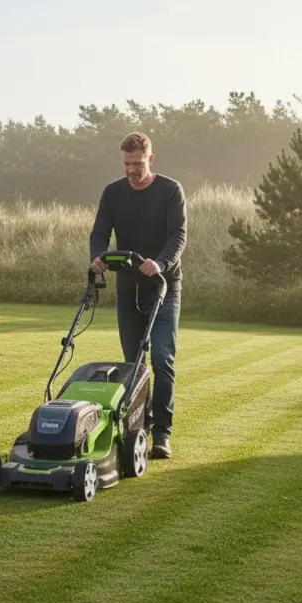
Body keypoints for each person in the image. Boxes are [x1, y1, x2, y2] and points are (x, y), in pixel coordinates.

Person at [88, 131, 186, 459]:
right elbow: (100, 231)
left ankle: (162, 434)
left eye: (138, 163)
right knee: (133, 364)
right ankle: (137, 427)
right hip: (128, 289)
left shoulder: (170, 191)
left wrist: (160, 263)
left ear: (150, 159)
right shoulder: (113, 193)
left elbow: (178, 235)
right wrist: (98, 256)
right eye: (127, 163)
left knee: (162, 358)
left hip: (163, 288)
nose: (132, 169)